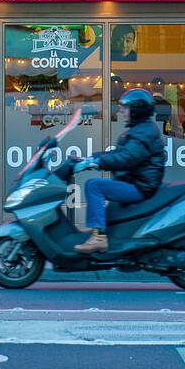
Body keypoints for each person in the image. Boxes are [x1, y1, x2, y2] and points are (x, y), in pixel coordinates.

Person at [73, 88, 165, 253]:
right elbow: (119, 153)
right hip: (135, 181)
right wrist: (90, 158)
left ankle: (99, 239)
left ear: (136, 110)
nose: (121, 110)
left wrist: (97, 162)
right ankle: (98, 230)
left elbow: (127, 158)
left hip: (140, 186)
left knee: (94, 186)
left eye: (125, 107)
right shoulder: (141, 129)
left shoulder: (144, 132)